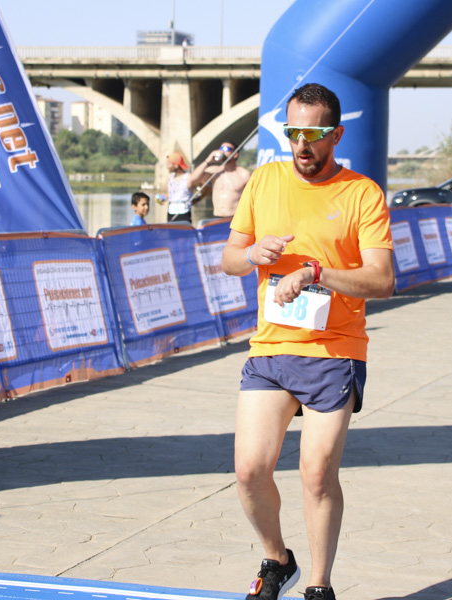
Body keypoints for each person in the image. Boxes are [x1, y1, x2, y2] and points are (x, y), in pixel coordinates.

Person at [220, 83, 395, 600]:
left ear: (335, 134)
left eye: (313, 134)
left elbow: (381, 280)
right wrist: (253, 257)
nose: (301, 145)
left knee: (316, 474)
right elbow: (230, 257)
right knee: (250, 471)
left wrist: (318, 272)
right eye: (293, 132)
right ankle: (278, 559)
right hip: (271, 350)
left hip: (334, 349)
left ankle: (319, 585)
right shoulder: (265, 180)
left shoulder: (362, 193)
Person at [190, 141, 252, 218]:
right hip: (216, 217)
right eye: (221, 148)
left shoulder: (244, 174)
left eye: (226, 149)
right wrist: (207, 161)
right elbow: (193, 180)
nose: (222, 151)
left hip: (235, 218)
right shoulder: (214, 171)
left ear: (235, 154)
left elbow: (252, 199)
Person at [165, 150, 195, 223]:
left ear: (176, 165)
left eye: (169, 164)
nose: (167, 166)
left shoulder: (189, 177)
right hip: (171, 213)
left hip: (184, 214)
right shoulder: (170, 177)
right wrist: (163, 199)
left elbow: (207, 187)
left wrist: (197, 199)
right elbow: (168, 195)